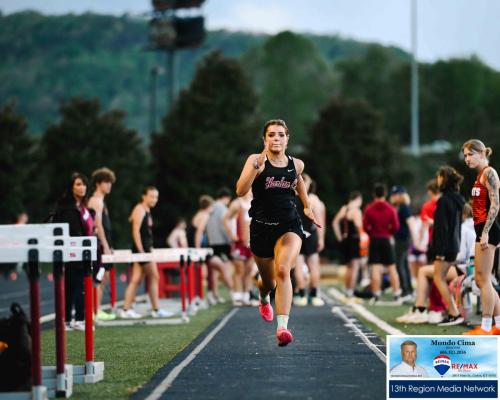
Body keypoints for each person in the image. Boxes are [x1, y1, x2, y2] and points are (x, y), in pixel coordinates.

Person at [236, 119, 321, 346]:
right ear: (264, 139)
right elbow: (240, 190)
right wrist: (255, 168)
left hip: (289, 226)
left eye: (280, 135)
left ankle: (282, 328)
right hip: (262, 228)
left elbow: (298, 180)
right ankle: (264, 297)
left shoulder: (297, 164)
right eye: (271, 135)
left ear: (287, 138)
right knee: (268, 281)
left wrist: (306, 206)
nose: (276, 139)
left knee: (283, 270)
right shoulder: (256, 161)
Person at [396, 204, 475, 325]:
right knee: (427, 270)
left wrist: (444, 258)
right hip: (465, 267)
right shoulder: (467, 227)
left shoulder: (462, 229)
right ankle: (420, 308)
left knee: (424, 271)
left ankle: (420, 309)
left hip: (463, 268)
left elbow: (461, 256)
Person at [462, 139, 500, 335]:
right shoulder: (479, 175)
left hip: (488, 231)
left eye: (470, 154)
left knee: (483, 279)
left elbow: (495, 204)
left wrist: (485, 232)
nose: (466, 159)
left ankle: (486, 327)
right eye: (465, 156)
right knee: (481, 279)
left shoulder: (489, 173)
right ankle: (498, 325)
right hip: (482, 230)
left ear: (481, 153)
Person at [119, 186, 172, 319]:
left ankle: (126, 309)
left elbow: (146, 234)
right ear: (144, 196)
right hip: (142, 250)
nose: (154, 199)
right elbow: (135, 231)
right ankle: (155, 309)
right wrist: (142, 250)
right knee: (154, 277)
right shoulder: (139, 209)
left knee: (136, 280)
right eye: (152, 196)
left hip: (146, 250)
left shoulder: (147, 210)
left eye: (156, 197)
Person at [53, 172, 94, 331]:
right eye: (78, 184)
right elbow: (72, 231)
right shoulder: (67, 208)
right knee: (75, 285)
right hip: (72, 250)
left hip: (83, 250)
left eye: (83, 184)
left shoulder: (82, 207)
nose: (82, 187)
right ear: (71, 187)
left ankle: (72, 320)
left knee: (75, 285)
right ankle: (75, 319)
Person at [431, 166, 465, 326]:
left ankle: (454, 313)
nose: (437, 180)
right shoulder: (458, 198)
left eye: (439, 177)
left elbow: (442, 228)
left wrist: (440, 251)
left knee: (438, 277)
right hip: (454, 245)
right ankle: (452, 311)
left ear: (445, 179)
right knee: (440, 278)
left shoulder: (444, 200)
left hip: (446, 247)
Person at [363, 183, 401, 303]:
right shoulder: (391, 208)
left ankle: (376, 294)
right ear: (385, 194)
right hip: (386, 239)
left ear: (374, 194)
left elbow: (365, 226)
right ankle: (396, 294)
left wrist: (371, 233)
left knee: (375, 267)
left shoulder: (369, 208)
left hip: (374, 239)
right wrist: (388, 233)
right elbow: (396, 226)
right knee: (392, 268)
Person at [88, 167, 116, 321]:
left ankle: (96, 310)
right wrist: (104, 246)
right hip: (98, 243)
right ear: (98, 183)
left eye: (110, 182)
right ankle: (95, 311)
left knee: (103, 277)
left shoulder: (102, 201)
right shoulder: (95, 201)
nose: (109, 185)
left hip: (104, 242)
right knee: (98, 277)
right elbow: (97, 226)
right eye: (106, 182)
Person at [292, 174, 326, 306]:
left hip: (298, 235)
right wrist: (321, 238)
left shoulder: (291, 198)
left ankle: (301, 294)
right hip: (310, 234)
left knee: (299, 265)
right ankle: (314, 294)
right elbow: (320, 221)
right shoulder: (314, 199)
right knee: (313, 264)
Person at [203, 188, 235, 304]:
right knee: (227, 269)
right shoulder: (223, 208)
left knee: (215, 271)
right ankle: (234, 293)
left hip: (212, 242)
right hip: (222, 242)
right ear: (227, 198)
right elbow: (225, 226)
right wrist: (230, 240)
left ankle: (214, 294)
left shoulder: (211, 207)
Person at [223, 190, 255, 306]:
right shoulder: (237, 204)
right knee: (239, 269)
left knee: (249, 269)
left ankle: (247, 295)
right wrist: (232, 235)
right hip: (239, 242)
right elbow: (225, 219)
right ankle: (237, 295)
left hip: (252, 242)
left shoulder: (256, 203)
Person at [333, 191, 363, 299]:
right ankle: (350, 291)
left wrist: (340, 237)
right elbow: (358, 225)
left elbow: (335, 222)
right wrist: (363, 237)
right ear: (358, 199)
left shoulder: (344, 208)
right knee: (355, 267)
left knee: (349, 267)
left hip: (345, 240)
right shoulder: (356, 211)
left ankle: (347, 289)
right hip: (354, 240)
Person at [390, 186, 418, 302]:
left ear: (401, 195)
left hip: (403, 239)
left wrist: (415, 240)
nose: (393, 196)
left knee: (399, 264)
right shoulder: (400, 207)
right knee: (404, 264)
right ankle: (409, 290)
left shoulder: (404, 207)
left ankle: (405, 290)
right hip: (402, 239)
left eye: (395, 194)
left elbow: (411, 223)